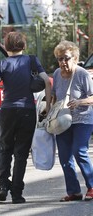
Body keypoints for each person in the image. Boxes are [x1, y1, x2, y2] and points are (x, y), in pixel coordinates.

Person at [0, 31, 51, 204]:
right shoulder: (32, 60)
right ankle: (17, 193)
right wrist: (48, 105)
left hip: (8, 111)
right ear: (24, 46)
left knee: (5, 149)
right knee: (21, 153)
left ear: (6, 47)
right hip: (27, 110)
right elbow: (45, 80)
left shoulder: (2, 63)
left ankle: (3, 186)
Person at [52, 40, 93, 202]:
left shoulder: (82, 74)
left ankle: (91, 186)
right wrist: (48, 107)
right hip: (62, 120)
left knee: (79, 150)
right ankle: (74, 192)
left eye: (66, 58)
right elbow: (55, 94)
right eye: (60, 59)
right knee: (64, 156)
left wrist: (79, 102)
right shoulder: (56, 73)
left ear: (75, 58)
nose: (63, 62)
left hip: (83, 118)